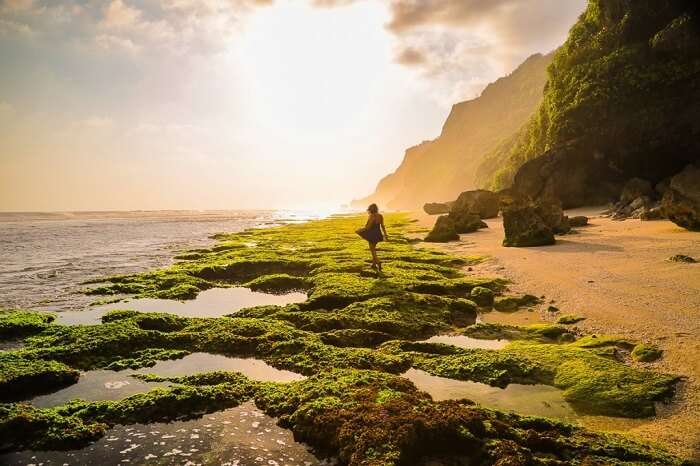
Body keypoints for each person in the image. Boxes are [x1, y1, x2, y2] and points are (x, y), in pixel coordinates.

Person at [356, 203, 387, 272]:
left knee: (372, 250)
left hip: (372, 235)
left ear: (370, 210)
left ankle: (378, 262)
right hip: (378, 234)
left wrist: (359, 230)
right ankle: (373, 264)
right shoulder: (380, 216)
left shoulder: (372, 216)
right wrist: (385, 235)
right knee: (373, 248)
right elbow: (382, 226)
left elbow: (368, 227)